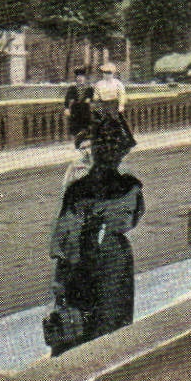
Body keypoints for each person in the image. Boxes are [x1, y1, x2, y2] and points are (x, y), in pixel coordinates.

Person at [48, 115, 143, 357]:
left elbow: (64, 242)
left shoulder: (77, 190)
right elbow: (130, 218)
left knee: (81, 332)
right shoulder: (130, 188)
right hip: (113, 260)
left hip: (82, 262)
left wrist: (60, 286)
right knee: (113, 330)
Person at [90, 62, 135, 149]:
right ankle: (98, 142)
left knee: (120, 122)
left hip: (114, 105)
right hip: (103, 105)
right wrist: (95, 103)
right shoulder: (99, 84)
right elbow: (96, 97)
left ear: (113, 74)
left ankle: (127, 140)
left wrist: (121, 105)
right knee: (98, 123)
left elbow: (122, 95)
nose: (107, 75)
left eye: (109, 73)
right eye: (105, 73)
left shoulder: (117, 83)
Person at [63, 67, 93, 145]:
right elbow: (67, 99)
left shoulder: (89, 88)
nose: (80, 79)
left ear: (85, 78)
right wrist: (66, 108)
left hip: (85, 110)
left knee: (86, 126)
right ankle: (77, 140)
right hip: (75, 110)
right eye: (78, 77)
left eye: (82, 77)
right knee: (75, 127)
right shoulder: (72, 88)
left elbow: (92, 98)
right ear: (76, 78)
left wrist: (89, 99)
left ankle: (84, 140)